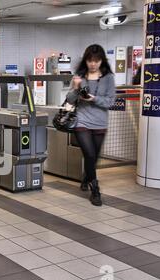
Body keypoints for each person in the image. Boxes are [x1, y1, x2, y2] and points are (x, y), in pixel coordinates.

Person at [66, 44, 116, 206]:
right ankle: (95, 189)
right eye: (90, 60)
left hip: (100, 122)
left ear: (102, 61)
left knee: (95, 157)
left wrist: (93, 98)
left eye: (96, 60)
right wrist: (75, 88)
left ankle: (86, 176)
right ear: (85, 61)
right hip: (82, 121)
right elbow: (70, 99)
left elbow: (110, 101)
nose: (93, 64)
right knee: (89, 155)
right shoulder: (79, 76)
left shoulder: (108, 78)